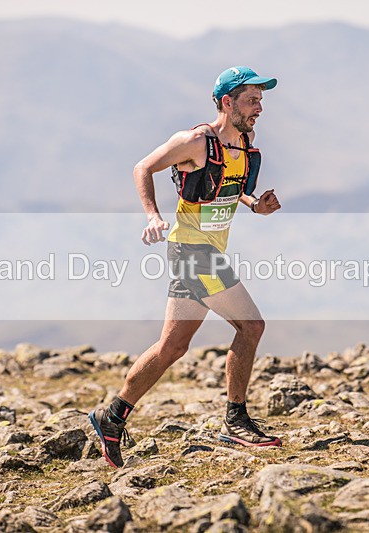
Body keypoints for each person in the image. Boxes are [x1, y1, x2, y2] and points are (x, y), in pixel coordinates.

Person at [89, 66, 282, 468]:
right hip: (192, 252)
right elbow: (143, 167)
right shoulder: (194, 141)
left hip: (203, 251)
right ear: (227, 102)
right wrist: (151, 216)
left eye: (261, 100)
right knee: (252, 326)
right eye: (251, 100)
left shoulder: (245, 142)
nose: (259, 107)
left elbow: (232, 187)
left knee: (173, 347)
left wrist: (254, 205)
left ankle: (111, 416)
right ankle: (235, 419)